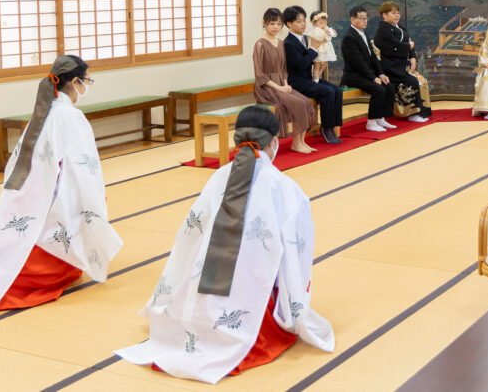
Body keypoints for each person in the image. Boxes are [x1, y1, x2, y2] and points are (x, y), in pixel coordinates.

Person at [115, 106, 334, 384]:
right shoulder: (284, 187)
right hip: (251, 299)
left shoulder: (218, 177)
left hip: (197, 292)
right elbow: (296, 253)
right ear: (275, 142)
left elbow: (189, 236)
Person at [0, 56, 123, 319]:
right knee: (68, 226)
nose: (87, 86)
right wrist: (93, 198)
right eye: (86, 81)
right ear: (74, 82)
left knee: (18, 235)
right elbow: (83, 167)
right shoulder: (71, 117)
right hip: (59, 192)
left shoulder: (43, 113)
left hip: (34, 192)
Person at [253, 8, 318, 154]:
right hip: (266, 87)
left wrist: (286, 84)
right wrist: (279, 88)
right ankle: (296, 143)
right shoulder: (260, 44)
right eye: (272, 24)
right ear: (264, 23)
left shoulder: (281, 43)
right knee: (298, 103)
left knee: (306, 102)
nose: (276, 27)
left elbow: (283, 69)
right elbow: (260, 75)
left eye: (278, 24)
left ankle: (301, 141)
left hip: (281, 84)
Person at [283, 5, 344, 144]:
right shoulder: (288, 43)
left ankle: (334, 126)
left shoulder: (307, 37)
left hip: (309, 78)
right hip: (297, 82)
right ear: (289, 24)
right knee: (328, 92)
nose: (303, 24)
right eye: (299, 21)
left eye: (304, 20)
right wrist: (313, 49)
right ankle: (326, 128)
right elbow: (302, 64)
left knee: (337, 90)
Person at [341, 6, 397, 132]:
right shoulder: (349, 37)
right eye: (361, 18)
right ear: (352, 19)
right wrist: (373, 77)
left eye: (366, 18)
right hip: (353, 76)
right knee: (379, 89)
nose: (365, 21)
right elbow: (358, 62)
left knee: (389, 86)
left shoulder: (363, 33)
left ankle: (380, 118)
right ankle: (371, 122)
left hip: (365, 74)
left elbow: (373, 58)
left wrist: (381, 74)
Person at [374, 1, 431, 122]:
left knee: (422, 81)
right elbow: (393, 46)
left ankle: (421, 111)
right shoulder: (383, 30)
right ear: (384, 15)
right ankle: (411, 113)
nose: (397, 15)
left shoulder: (400, 28)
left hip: (401, 65)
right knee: (412, 82)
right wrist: (408, 46)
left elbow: (410, 43)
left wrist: (413, 57)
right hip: (390, 66)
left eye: (398, 13)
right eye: (393, 13)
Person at [307, 10, 338, 82]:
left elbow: (330, 36)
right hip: (318, 50)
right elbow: (318, 37)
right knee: (317, 66)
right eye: (321, 23)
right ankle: (315, 79)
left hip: (326, 50)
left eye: (325, 22)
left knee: (324, 65)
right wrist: (324, 32)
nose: (323, 25)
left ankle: (318, 77)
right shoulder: (314, 30)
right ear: (314, 23)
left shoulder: (325, 28)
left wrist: (332, 33)